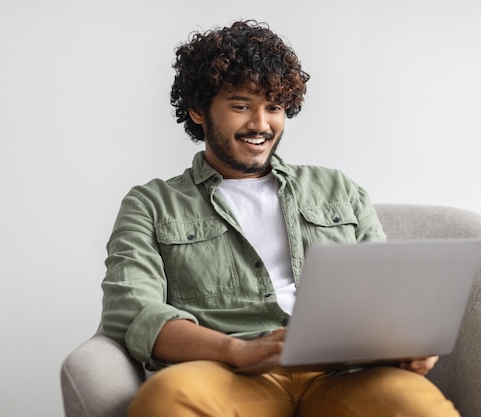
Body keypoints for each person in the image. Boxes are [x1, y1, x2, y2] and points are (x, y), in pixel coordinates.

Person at [101, 19, 460, 417]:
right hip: (226, 373)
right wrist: (237, 350)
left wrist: (407, 345)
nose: (261, 124)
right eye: (241, 106)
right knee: (167, 399)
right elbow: (132, 312)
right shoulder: (151, 203)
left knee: (420, 407)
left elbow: (386, 301)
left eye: (274, 108)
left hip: (345, 376)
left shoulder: (340, 189)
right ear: (199, 110)